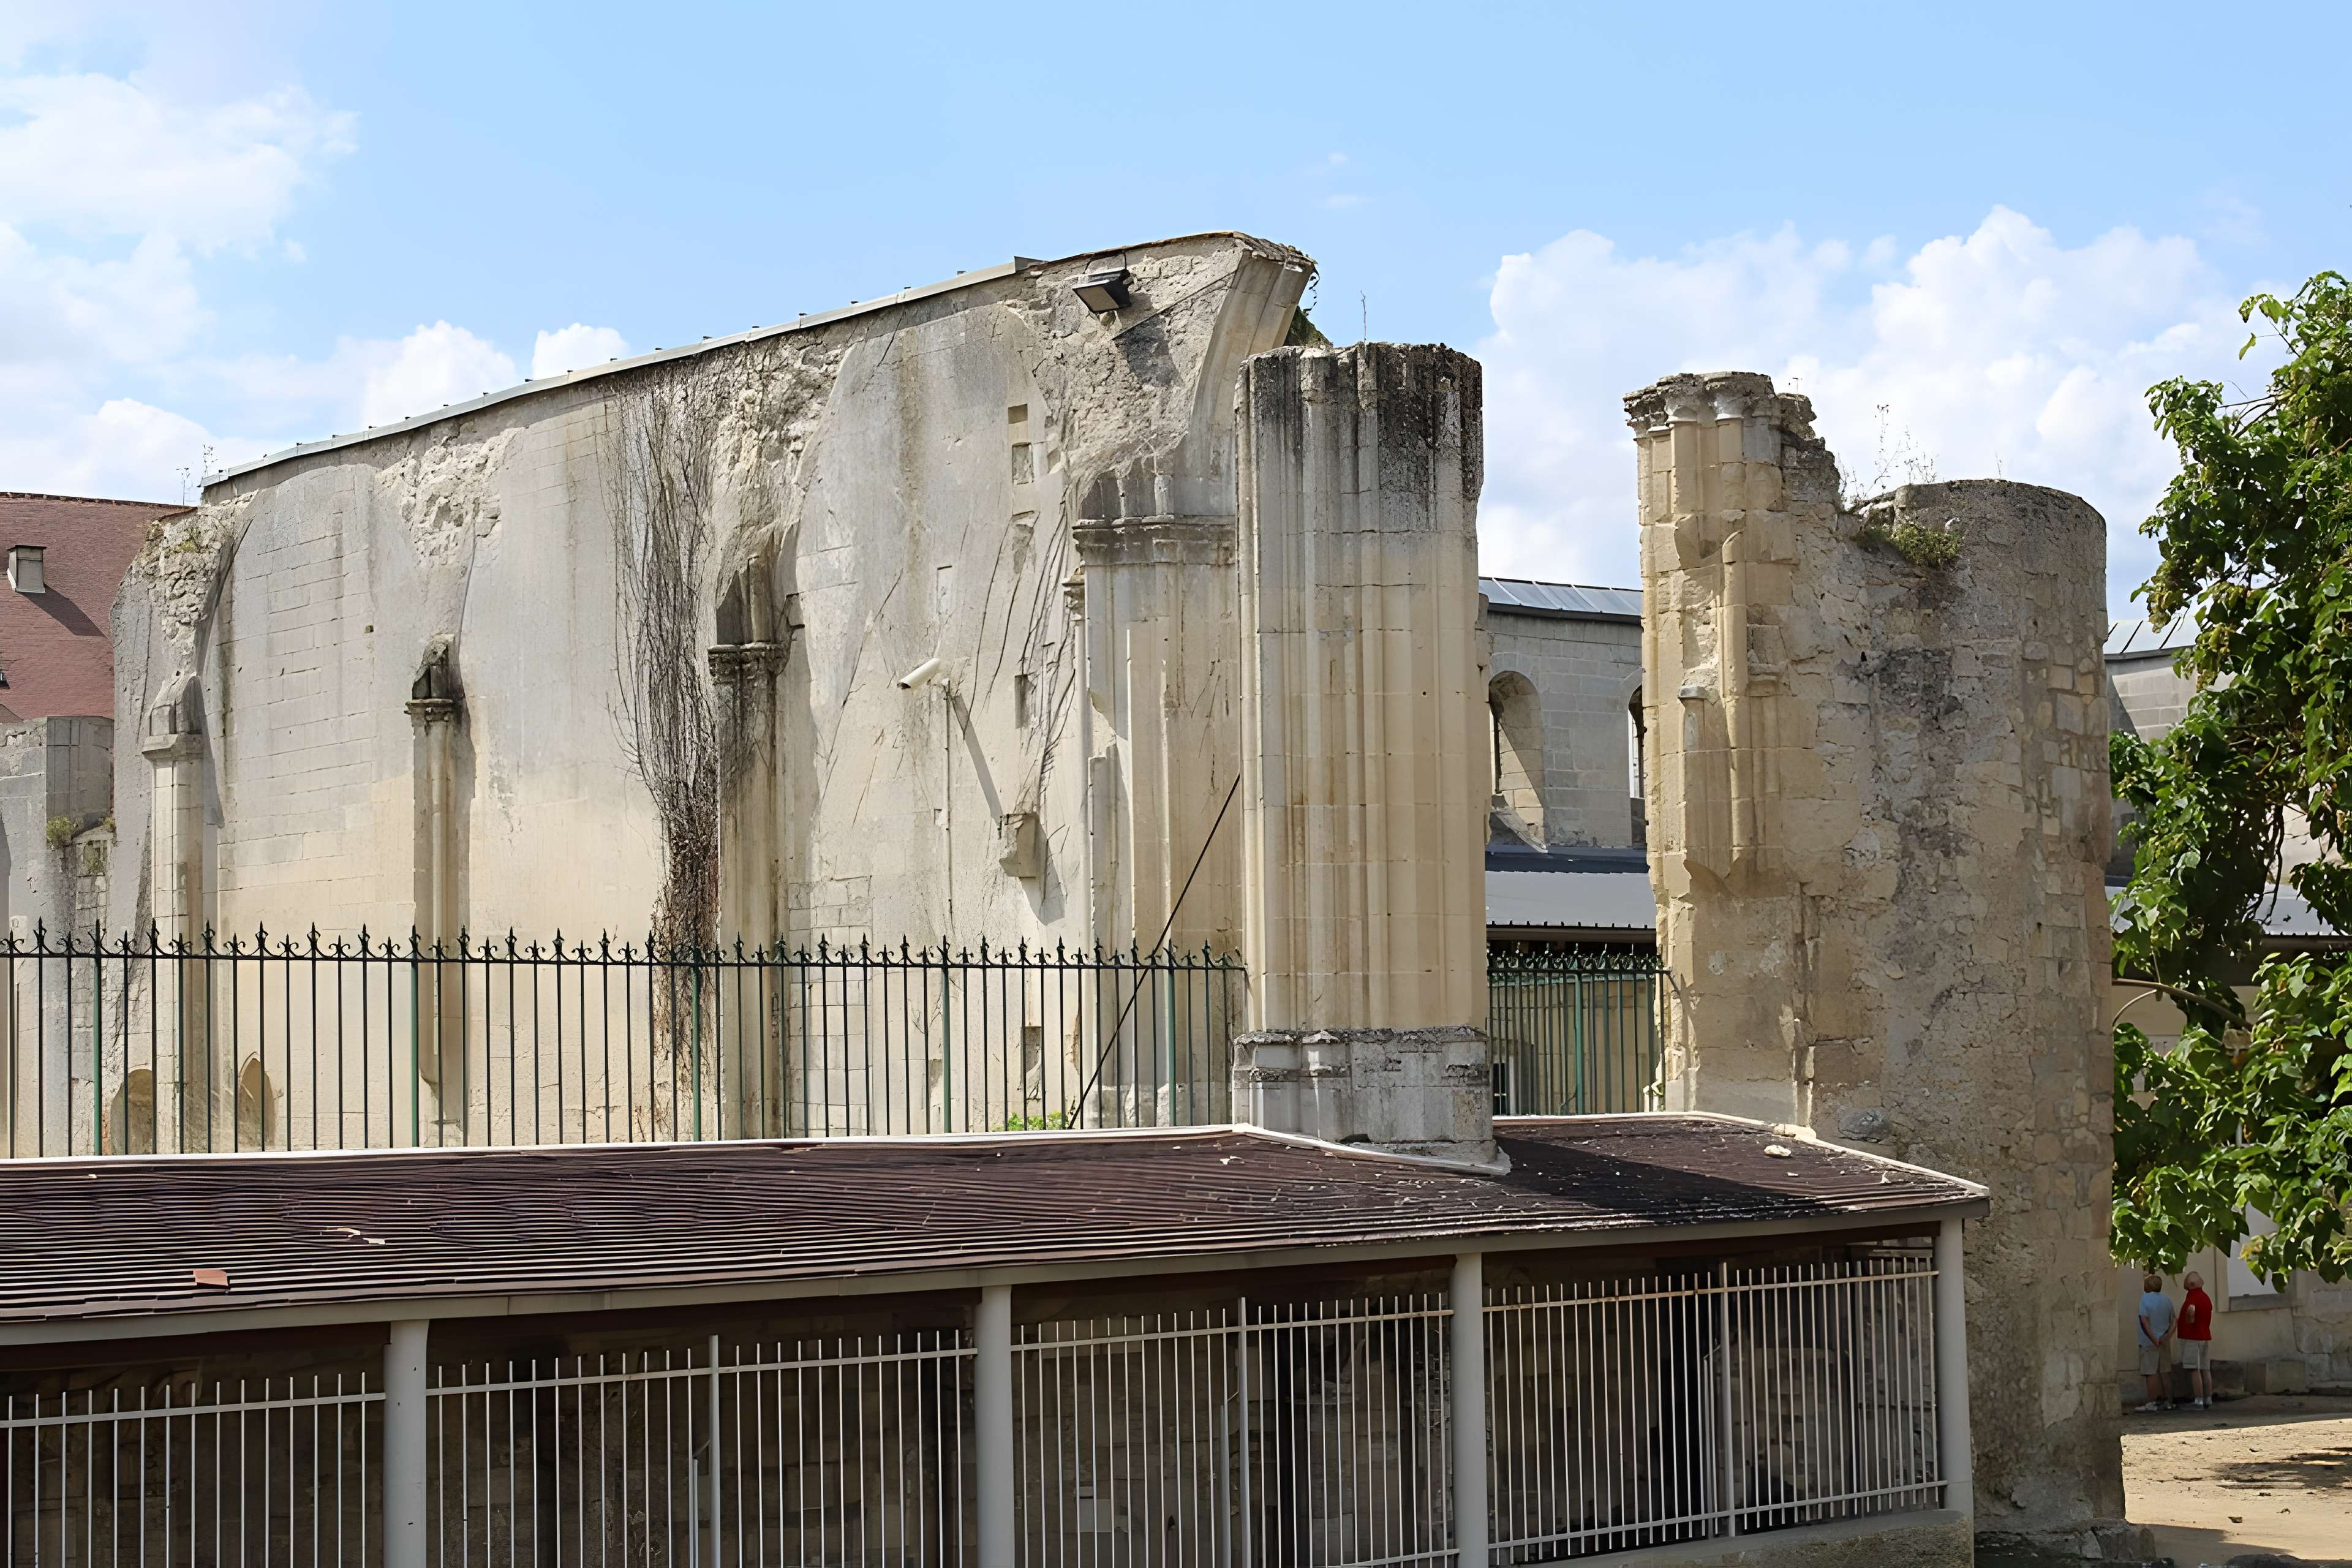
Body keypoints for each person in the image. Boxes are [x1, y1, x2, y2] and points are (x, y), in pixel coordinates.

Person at [2137, 1272, 2177, 1411]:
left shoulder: (2145, 1299)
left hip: (2149, 1342)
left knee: (2151, 1372)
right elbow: (2173, 1320)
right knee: (2165, 1371)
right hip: (2164, 1340)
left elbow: (2144, 1320)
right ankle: (2169, 1402)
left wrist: (2154, 1339)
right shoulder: (2167, 1299)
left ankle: (2153, 1402)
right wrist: (2167, 1336)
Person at [2179, 1270, 2215, 1408]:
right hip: (2204, 1336)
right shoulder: (2205, 1297)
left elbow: (2191, 1310)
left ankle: (2199, 1399)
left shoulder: (2193, 1297)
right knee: (2205, 1369)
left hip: (2192, 1337)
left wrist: (2189, 1320)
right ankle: (2208, 1398)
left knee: (2194, 1370)